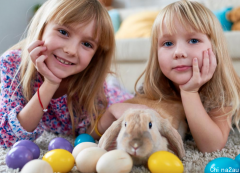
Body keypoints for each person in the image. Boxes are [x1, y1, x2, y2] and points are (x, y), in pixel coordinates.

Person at [0, 0, 134, 148]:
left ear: (95, 55)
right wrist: (50, 84)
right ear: (42, 26)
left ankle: (115, 84)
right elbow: (9, 138)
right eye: (63, 32)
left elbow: (88, 133)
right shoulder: (12, 64)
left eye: (87, 44)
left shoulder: (89, 77)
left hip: (114, 97)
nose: (71, 50)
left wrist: (111, 113)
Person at [135, 0, 240, 153]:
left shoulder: (222, 88)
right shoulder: (153, 86)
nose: (179, 52)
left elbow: (212, 146)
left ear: (215, 48)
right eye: (168, 43)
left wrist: (189, 92)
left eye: (193, 40)